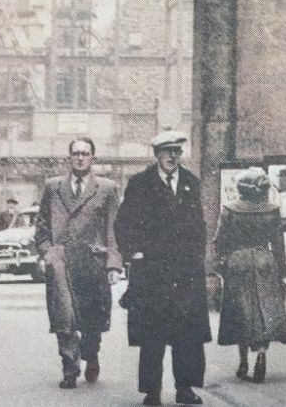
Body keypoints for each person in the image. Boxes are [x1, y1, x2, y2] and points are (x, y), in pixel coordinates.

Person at [114, 131, 211, 407]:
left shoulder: (191, 182)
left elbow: (199, 225)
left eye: (177, 151)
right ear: (157, 154)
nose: (172, 157)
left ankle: (185, 389)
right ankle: (152, 391)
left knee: (187, 334)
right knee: (152, 334)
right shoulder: (140, 183)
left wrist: (197, 257)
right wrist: (133, 253)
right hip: (152, 271)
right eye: (167, 151)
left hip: (185, 271)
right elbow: (123, 223)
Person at [34, 137, 123, 389]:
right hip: (61, 261)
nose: (80, 158)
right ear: (69, 157)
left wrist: (113, 264)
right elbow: (41, 228)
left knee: (92, 318)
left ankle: (91, 354)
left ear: (93, 158)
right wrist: (48, 253)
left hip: (93, 262)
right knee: (64, 317)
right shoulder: (53, 187)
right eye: (76, 153)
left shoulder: (106, 188)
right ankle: (69, 368)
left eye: (85, 153)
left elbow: (113, 230)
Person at [214, 167, 286, 384]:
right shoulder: (272, 210)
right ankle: (261, 354)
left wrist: (221, 267)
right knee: (264, 310)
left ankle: (243, 361)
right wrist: (283, 273)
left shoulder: (230, 209)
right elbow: (278, 245)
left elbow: (219, 242)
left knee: (242, 311)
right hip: (265, 260)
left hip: (238, 262)